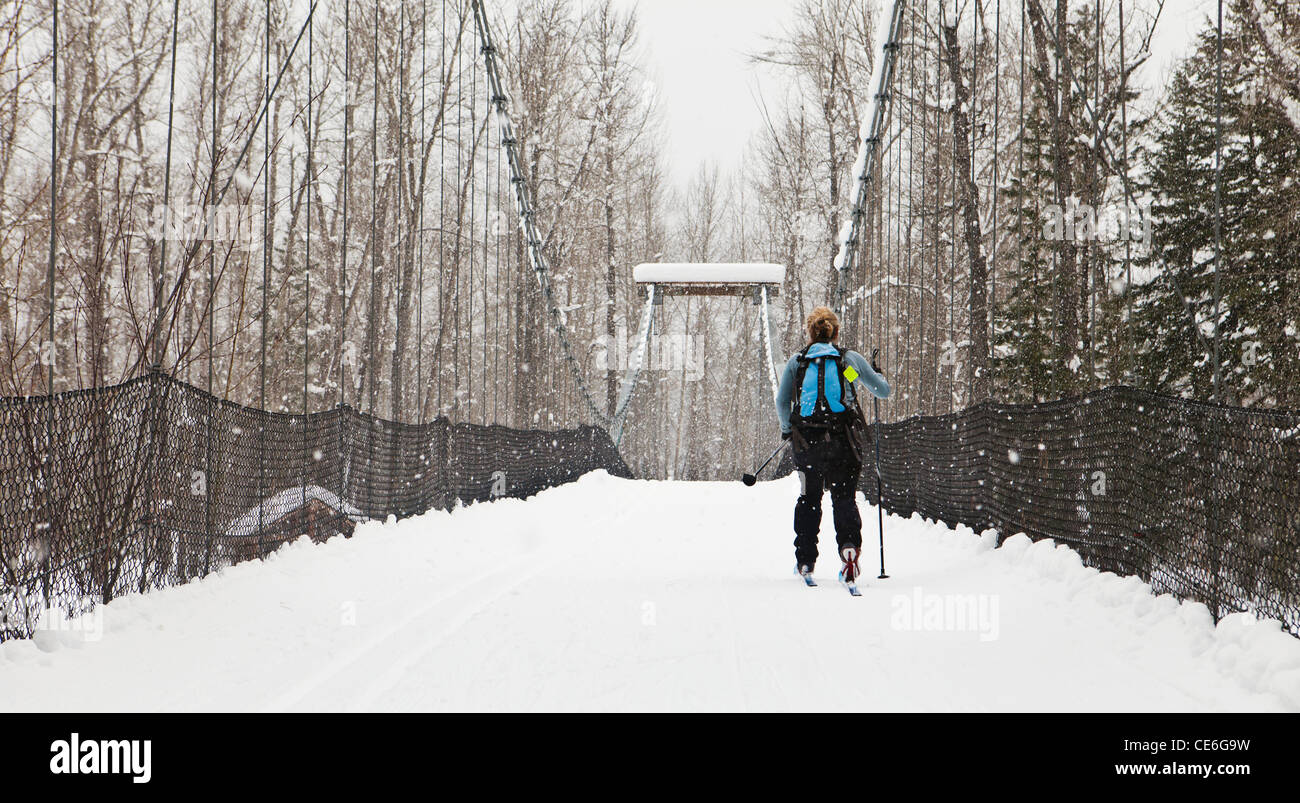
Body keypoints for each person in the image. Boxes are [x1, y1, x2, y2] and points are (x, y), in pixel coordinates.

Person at [775, 306, 890, 587]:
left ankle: (805, 560)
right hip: (843, 442)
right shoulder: (846, 361)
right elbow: (882, 391)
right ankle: (849, 549)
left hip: (808, 444)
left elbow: (781, 401)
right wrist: (873, 375)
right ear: (835, 332)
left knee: (809, 499)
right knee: (844, 498)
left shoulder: (798, 361)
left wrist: (788, 430)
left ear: (810, 333)